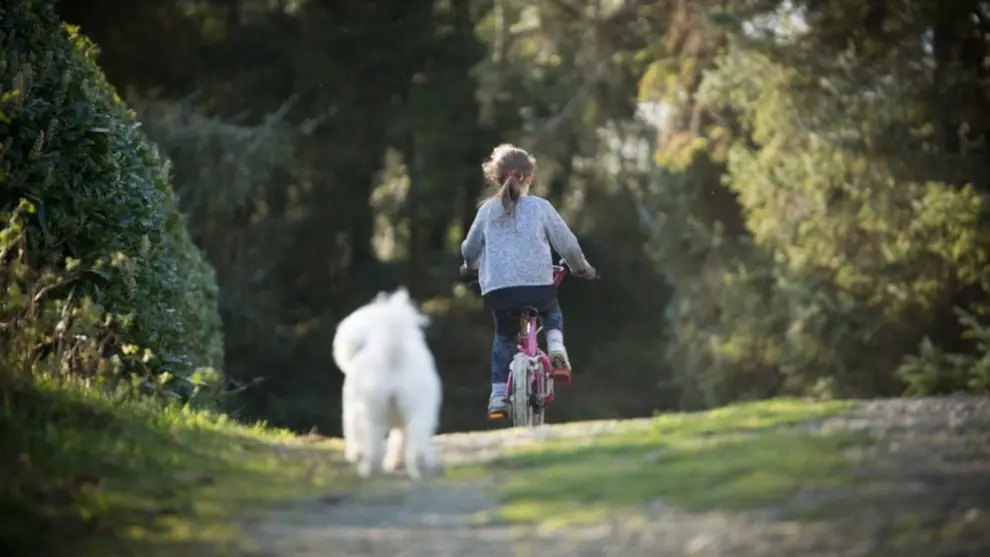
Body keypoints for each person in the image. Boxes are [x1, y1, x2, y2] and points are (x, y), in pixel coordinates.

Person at [460, 143, 597, 419]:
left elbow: (470, 248)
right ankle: (556, 349)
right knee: (551, 311)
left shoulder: (487, 211)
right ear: (530, 177)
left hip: (499, 292)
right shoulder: (540, 207)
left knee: (504, 336)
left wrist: (470, 266)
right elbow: (567, 245)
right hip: (537, 288)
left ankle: (498, 395)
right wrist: (581, 268)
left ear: (495, 178)